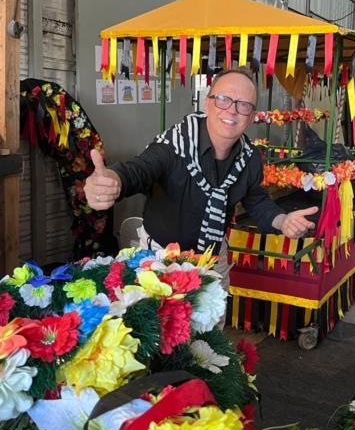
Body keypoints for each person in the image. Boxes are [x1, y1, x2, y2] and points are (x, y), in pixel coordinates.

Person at [83, 68, 318, 287]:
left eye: (243, 105)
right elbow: (138, 170)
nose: (232, 110)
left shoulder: (250, 157)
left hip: (214, 260)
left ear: (251, 116)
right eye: (223, 100)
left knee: (210, 330)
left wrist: (282, 221)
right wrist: (112, 180)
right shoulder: (173, 146)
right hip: (159, 262)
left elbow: (255, 200)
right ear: (208, 103)